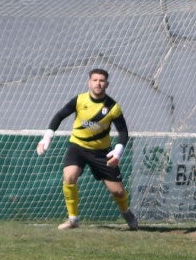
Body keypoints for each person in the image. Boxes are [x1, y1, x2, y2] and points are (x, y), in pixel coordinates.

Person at [36, 68, 137, 231]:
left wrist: (118, 151)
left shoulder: (113, 107)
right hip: (78, 147)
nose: (98, 83)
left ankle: (126, 212)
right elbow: (59, 115)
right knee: (69, 176)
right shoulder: (79, 100)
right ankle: (73, 219)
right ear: (89, 82)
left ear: (107, 84)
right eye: (95, 80)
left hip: (102, 152)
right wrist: (47, 137)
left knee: (118, 192)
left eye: (102, 81)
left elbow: (123, 131)